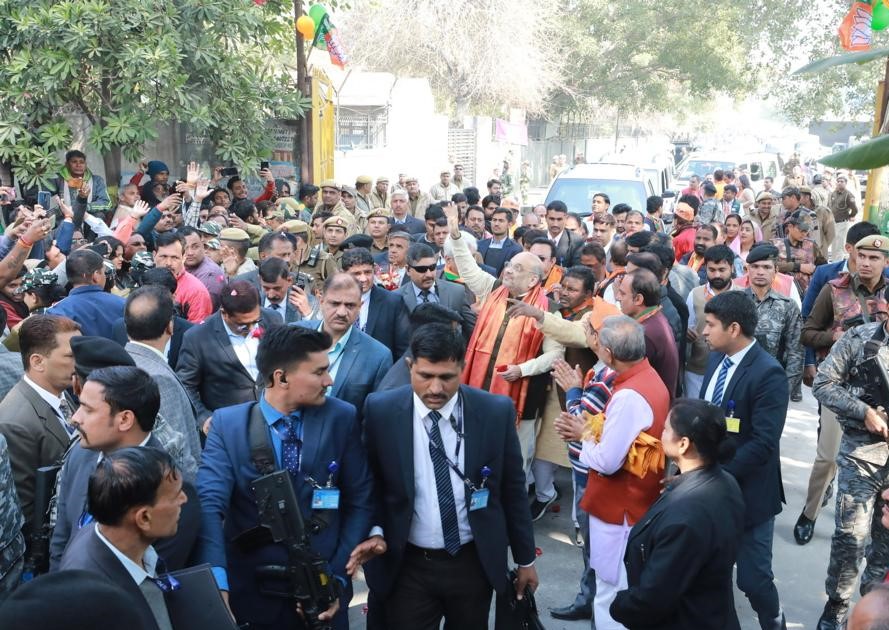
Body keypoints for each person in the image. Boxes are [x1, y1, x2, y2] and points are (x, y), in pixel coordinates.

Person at [349, 323, 538, 629]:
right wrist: (375, 530)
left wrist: (525, 559)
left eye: (446, 377)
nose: (436, 388)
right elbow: (370, 483)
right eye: (425, 376)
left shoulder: (494, 412)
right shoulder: (381, 411)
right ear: (410, 367)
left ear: (462, 368)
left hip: (473, 564)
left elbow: (512, 490)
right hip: (407, 563)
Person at [196, 325, 374, 629]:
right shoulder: (228, 425)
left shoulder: (340, 417)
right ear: (281, 378)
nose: (329, 381)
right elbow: (209, 505)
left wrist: (337, 578)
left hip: (323, 596)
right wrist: (217, 582)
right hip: (253, 594)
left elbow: (361, 499)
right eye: (319, 372)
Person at [564, 315, 670, 630]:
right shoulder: (649, 377)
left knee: (610, 590)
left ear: (609, 354)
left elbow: (607, 461)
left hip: (620, 507)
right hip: (636, 501)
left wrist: (583, 434)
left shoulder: (627, 395)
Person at [444, 204, 566, 472]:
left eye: (517, 268)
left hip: (522, 397)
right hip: (480, 389)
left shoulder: (548, 310)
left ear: (532, 281)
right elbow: (468, 270)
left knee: (514, 461)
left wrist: (522, 370)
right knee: (474, 452)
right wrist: (455, 235)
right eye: (510, 264)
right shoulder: (494, 289)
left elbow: (555, 355)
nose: (508, 270)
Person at [610, 398, 745, 630]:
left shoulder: (685, 519)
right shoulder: (725, 482)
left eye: (665, 429)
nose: (660, 434)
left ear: (683, 444)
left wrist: (618, 605)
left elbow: (653, 598)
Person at [50, 365, 200, 572]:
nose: (75, 418)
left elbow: (153, 576)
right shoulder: (79, 456)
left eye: (88, 409)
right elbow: (61, 543)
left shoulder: (171, 492)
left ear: (124, 419)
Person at [700, 291, 790, 629]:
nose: (704, 331)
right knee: (711, 573)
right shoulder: (716, 360)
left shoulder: (769, 374)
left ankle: (774, 621)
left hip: (749, 494)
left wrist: (714, 475)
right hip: (709, 492)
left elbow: (763, 443)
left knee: (753, 579)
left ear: (734, 328)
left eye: (710, 325)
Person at [796, 223, 886, 546]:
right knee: (828, 456)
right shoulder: (834, 289)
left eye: (874, 257)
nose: (866, 263)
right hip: (840, 387)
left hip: (882, 392)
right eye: (862, 255)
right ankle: (809, 513)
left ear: (885, 261)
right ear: (853, 255)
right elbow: (807, 332)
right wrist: (835, 337)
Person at [814, 306, 889, 628]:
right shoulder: (859, 338)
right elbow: (823, 384)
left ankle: (876, 609)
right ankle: (837, 605)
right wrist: (863, 411)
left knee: (885, 546)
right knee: (850, 539)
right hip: (861, 456)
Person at [59, 447, 187, 630]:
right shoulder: (98, 603)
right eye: (175, 496)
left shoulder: (104, 536)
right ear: (144, 518)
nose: (184, 499)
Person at [0, 315, 80, 536]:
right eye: (71, 356)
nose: (80, 362)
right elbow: (27, 513)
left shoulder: (62, 392)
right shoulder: (14, 423)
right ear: (37, 362)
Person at [176, 280, 282, 434]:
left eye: (255, 321)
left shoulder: (273, 320)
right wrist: (203, 417)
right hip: (229, 429)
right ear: (224, 313)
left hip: (273, 422)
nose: (251, 329)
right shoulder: (198, 338)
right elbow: (185, 385)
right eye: (242, 325)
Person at [123, 287, 201, 464]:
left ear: (126, 326)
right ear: (170, 327)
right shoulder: (158, 378)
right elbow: (178, 453)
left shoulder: (124, 360)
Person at [297, 273, 392, 419]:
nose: (341, 312)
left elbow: (376, 417)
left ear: (360, 306)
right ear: (321, 301)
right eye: (335, 304)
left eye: (350, 305)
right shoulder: (294, 336)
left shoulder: (378, 356)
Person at [742, 244, 804, 397]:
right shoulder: (735, 300)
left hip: (771, 382)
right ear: (748, 269)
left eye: (766, 267)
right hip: (739, 380)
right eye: (755, 266)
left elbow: (796, 352)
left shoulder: (788, 306)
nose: (760, 272)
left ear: (776, 270)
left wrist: (785, 390)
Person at [615, 269, 679, 395]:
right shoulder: (654, 318)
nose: (617, 297)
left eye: (622, 293)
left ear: (638, 299)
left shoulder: (645, 333)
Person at [684, 245, 737, 397]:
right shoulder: (695, 294)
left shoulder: (742, 295)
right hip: (698, 370)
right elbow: (689, 327)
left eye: (722, 270)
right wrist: (687, 334)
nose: (717, 275)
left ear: (732, 268)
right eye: (712, 270)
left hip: (731, 370)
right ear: (705, 268)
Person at [398, 242, 476, 342]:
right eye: (421, 269)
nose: (429, 274)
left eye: (432, 267)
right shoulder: (397, 298)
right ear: (408, 270)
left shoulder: (456, 292)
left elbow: (473, 333)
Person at [341, 247, 409, 359]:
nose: (363, 279)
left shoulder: (393, 302)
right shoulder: (334, 300)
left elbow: (403, 348)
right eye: (357, 274)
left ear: (375, 270)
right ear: (343, 274)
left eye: (367, 272)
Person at [47, 249, 126, 338]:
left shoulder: (57, 312)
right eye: (103, 272)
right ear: (96, 276)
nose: (104, 276)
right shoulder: (123, 304)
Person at [153, 231, 213, 324]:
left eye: (174, 257)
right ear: (154, 256)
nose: (168, 263)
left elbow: (197, 330)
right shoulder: (145, 281)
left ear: (184, 257)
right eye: (163, 256)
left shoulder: (196, 292)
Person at [773, 209, 827, 296]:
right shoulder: (776, 245)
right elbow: (771, 265)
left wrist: (814, 270)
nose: (804, 234)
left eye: (806, 231)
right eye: (801, 230)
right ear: (790, 227)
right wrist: (799, 267)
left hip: (808, 293)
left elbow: (824, 266)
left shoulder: (811, 245)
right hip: (783, 293)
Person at [477, 207, 522, 276]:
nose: (496, 224)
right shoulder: (479, 244)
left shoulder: (515, 249)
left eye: (501, 221)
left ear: (509, 224)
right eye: (494, 220)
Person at [829, 175, 859, 261]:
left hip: (842, 223)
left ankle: (838, 263)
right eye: (838, 181)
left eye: (842, 181)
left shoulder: (848, 195)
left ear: (846, 183)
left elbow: (855, 209)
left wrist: (850, 216)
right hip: (833, 222)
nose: (839, 183)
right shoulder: (833, 193)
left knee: (840, 245)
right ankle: (834, 262)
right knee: (834, 244)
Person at [546, 201, 583, 266]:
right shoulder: (537, 237)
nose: (555, 224)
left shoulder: (576, 242)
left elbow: (578, 269)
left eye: (559, 219)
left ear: (566, 219)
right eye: (552, 219)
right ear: (546, 218)